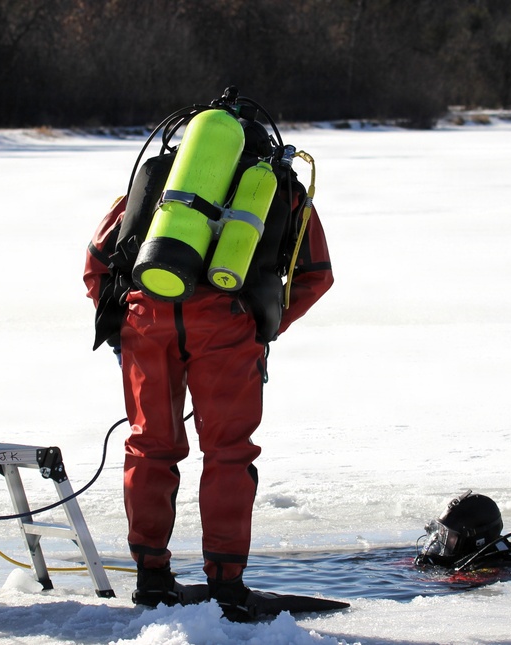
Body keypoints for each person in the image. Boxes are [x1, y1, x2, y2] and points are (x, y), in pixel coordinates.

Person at [83, 95, 333, 620]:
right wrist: (262, 326)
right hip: (226, 327)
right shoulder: (277, 187)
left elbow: (98, 260)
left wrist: (125, 322)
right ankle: (227, 586)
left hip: (147, 318)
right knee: (228, 453)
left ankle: (152, 579)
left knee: (150, 448)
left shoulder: (159, 178)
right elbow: (316, 274)